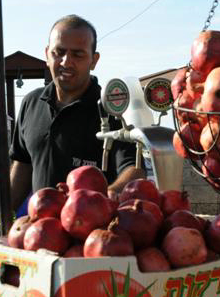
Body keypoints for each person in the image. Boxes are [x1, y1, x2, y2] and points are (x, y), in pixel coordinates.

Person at [10, 15, 143, 210]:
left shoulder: (112, 110)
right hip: (40, 230)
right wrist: (3, 216)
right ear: (47, 54)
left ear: (94, 60)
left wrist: (112, 193)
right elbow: (22, 163)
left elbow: (135, 168)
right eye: (59, 52)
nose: (66, 62)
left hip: (92, 232)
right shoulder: (31, 103)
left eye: (78, 54)